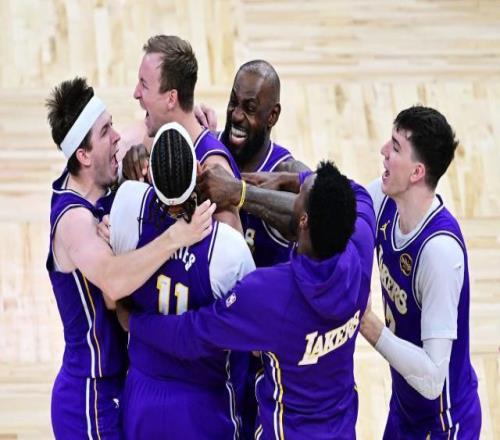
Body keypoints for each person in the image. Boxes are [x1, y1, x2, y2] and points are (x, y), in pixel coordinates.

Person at [119, 161, 376, 439]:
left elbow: (194, 333)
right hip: (342, 429)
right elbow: (356, 191)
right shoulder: (361, 245)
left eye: (299, 194)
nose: (297, 191)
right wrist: (282, 182)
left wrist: (135, 322)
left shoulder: (271, 293)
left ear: (303, 220)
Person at [45, 77, 215, 439]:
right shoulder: (75, 223)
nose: (117, 137)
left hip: (121, 383)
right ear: (83, 155)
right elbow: (113, 281)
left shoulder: (101, 168)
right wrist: (176, 237)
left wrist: (191, 120)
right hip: (89, 395)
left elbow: (151, 127)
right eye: (106, 131)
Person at [109, 122, 255, 438]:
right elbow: (249, 331)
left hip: (143, 394)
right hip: (206, 402)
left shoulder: (128, 204)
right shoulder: (227, 248)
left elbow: (116, 292)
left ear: (151, 175)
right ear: (199, 170)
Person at [360, 105, 481, 438]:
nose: (383, 151)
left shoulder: (439, 254)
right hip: (404, 407)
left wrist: (367, 324)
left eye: (396, 147)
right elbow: (336, 212)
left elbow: (431, 379)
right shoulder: (384, 199)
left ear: (416, 172)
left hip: (443, 423)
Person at [130, 34, 242, 232]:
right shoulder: (155, 141)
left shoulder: (214, 170)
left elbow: (236, 249)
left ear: (171, 98)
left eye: (144, 85)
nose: (136, 93)